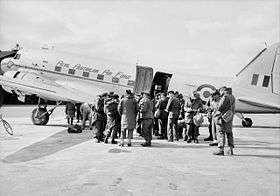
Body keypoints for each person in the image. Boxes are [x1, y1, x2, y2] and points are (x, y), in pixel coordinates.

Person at [213, 87, 235, 155]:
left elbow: (220, 107)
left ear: (224, 91)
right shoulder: (232, 97)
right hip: (229, 117)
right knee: (229, 133)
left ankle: (221, 149)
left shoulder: (225, 97)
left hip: (222, 117)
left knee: (221, 133)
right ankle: (230, 149)